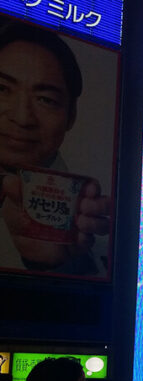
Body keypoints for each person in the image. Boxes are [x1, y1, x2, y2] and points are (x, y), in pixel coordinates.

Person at [0, 19, 111, 275]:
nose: (22, 117)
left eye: (45, 100)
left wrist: (57, 265)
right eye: (3, 89)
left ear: (71, 116)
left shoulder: (92, 226)